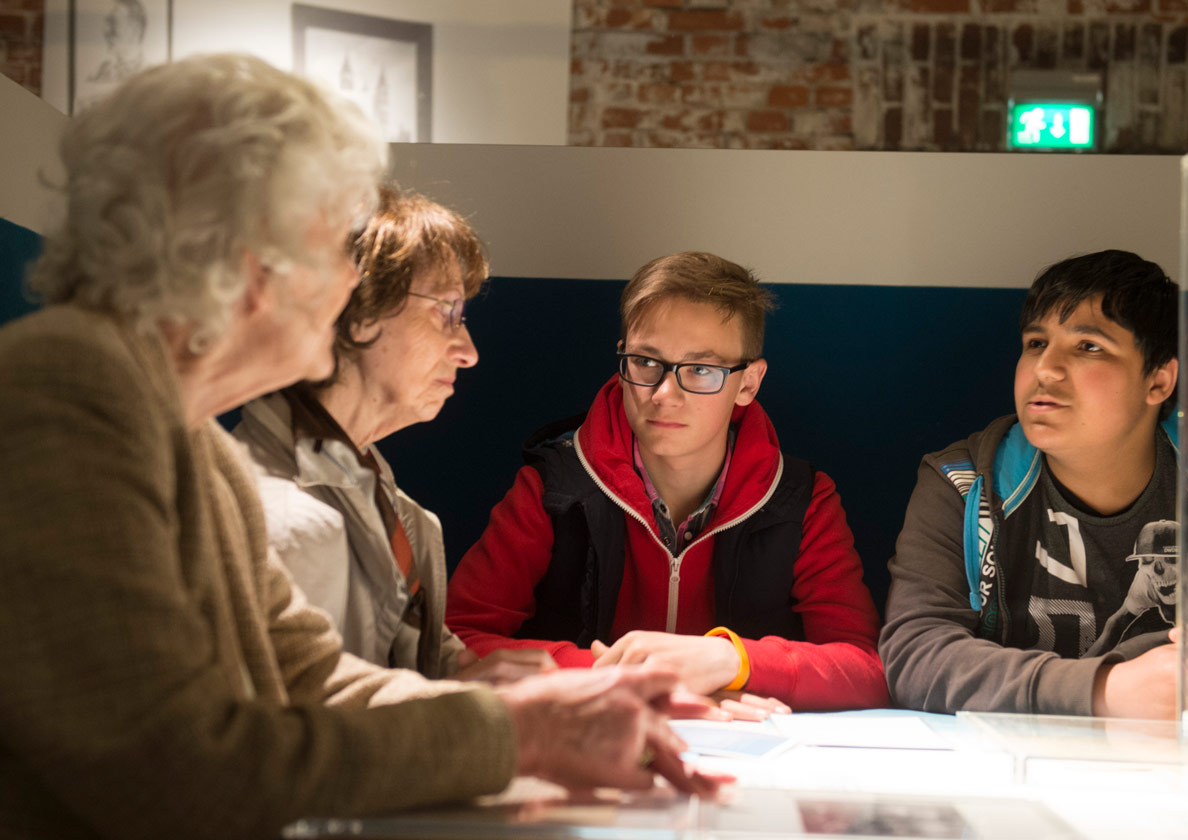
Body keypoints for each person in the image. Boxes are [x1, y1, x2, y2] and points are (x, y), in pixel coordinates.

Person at [0, 54, 718, 840]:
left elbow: (316, 681)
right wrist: (519, 734)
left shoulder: (184, 433)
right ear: (248, 256)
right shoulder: (68, 389)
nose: (350, 283)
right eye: (334, 246)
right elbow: (166, 768)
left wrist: (542, 712)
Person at [446, 251, 888, 713]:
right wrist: (624, 681)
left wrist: (731, 660)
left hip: (745, 756)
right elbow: (456, 642)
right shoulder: (552, 487)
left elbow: (866, 666)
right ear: (623, 358)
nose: (663, 394)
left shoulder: (803, 499)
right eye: (646, 362)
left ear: (749, 384)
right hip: (591, 744)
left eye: (701, 370)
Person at [879, 249, 1188, 719]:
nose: (1045, 370)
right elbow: (915, 657)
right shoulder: (962, 481)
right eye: (1035, 343)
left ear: (1158, 382)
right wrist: (1105, 690)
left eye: (1088, 347)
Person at [235, 184, 553, 684]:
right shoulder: (282, 521)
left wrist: (501, 679)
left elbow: (414, 668)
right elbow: (311, 735)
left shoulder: (368, 484)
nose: (468, 351)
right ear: (357, 310)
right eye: (447, 311)